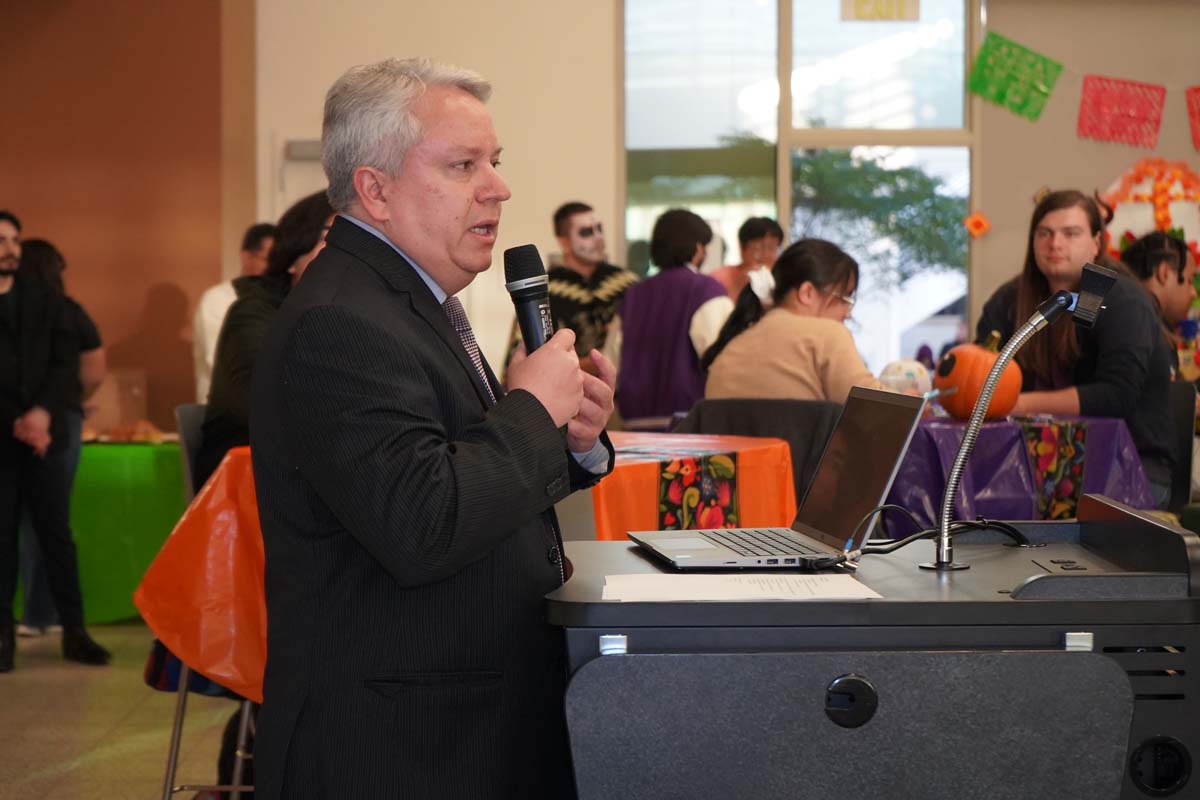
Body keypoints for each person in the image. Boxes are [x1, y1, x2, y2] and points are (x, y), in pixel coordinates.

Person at [248, 58, 616, 799]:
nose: (498, 187)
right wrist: (530, 411)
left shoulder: (409, 301)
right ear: (375, 190)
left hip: (448, 719)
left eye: (495, 162)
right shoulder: (341, 323)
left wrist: (570, 441)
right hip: (397, 745)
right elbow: (424, 520)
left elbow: (454, 462)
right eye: (463, 165)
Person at [976, 190, 1175, 506]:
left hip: (1129, 470)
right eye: (1045, 233)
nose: (1055, 244)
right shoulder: (1009, 300)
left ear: (1096, 242)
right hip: (1033, 467)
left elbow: (1115, 396)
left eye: (1071, 233)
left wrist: (1019, 404)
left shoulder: (1120, 300)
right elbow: (980, 371)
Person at [0, 210, 110, 671]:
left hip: (46, 432)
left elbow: (65, 365)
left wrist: (41, 415)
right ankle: (3, 637)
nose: (10, 247)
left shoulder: (47, 300)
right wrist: (18, 420)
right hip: (5, 436)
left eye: (14, 239)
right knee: (3, 535)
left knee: (56, 534)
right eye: (1, 239)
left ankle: (75, 632)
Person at [191, 191, 333, 491]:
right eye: (331, 235)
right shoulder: (253, 313)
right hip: (250, 488)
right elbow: (264, 404)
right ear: (293, 255)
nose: (349, 250)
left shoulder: (369, 314)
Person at [703, 238, 880, 403]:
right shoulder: (828, 334)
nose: (848, 314)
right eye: (845, 299)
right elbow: (877, 411)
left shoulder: (730, 349)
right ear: (807, 293)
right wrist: (906, 397)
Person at [604, 208, 733, 421]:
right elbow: (723, 360)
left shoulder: (633, 295)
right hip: (690, 425)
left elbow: (611, 362)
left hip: (635, 425)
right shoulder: (705, 289)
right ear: (698, 248)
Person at [192, 222, 276, 402]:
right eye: (269, 260)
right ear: (246, 257)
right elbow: (224, 364)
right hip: (225, 414)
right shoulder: (217, 300)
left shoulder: (281, 300)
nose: (276, 269)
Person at [1120, 231, 1197, 372]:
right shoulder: (1140, 328)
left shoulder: (1136, 319)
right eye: (1189, 281)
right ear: (1164, 272)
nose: (1193, 293)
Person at [710, 216, 784, 300]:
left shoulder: (782, 278)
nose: (766, 255)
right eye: (758, 248)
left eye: (771, 248)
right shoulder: (720, 277)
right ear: (742, 248)